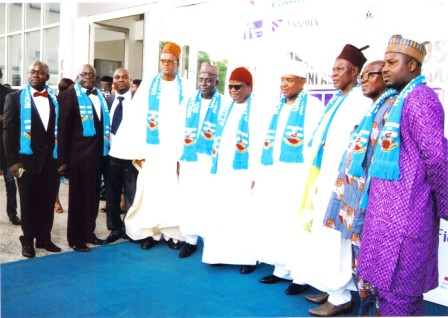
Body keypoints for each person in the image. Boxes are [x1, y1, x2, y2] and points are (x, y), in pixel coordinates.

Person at [357, 35, 448, 316]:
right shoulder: (399, 100)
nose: (384, 68)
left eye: (392, 63)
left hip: (407, 219)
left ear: (412, 65)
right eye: (384, 62)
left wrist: (445, 205)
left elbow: (437, 157)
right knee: (387, 296)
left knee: (401, 298)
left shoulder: (420, 99)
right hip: (388, 217)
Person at [287, 44, 371, 317]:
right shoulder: (339, 98)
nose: (333, 74)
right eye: (333, 69)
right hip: (322, 178)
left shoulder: (359, 101)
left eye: (339, 69)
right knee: (323, 234)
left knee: (336, 238)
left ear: (355, 71)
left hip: (342, 184)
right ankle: (329, 284)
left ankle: (340, 295)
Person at [322, 60, 398, 316]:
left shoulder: (392, 109)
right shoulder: (372, 108)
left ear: (385, 77)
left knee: (371, 265)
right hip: (354, 197)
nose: (363, 80)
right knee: (359, 263)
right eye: (362, 75)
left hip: (372, 201)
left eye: (370, 75)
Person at [255, 60, 322, 293]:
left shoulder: (313, 107)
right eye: (282, 80)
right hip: (276, 175)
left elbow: (314, 146)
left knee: (297, 223)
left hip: (298, 176)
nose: (284, 85)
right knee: (278, 220)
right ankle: (281, 269)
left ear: (303, 82)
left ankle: (300, 276)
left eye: (289, 80)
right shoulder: (277, 107)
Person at [124, 42, 188, 250]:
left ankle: (172, 234)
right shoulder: (149, 84)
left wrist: (183, 155)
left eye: (170, 61)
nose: (166, 65)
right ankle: (149, 233)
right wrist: (137, 151)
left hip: (174, 151)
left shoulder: (185, 87)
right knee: (149, 190)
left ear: (178, 63)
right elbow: (135, 118)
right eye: (163, 61)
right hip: (151, 149)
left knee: (172, 191)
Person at [200, 67, 265, 274]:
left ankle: (247, 257)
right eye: (229, 87)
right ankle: (220, 254)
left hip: (244, 173)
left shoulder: (258, 111)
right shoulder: (226, 109)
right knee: (221, 211)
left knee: (243, 215)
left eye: (237, 86)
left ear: (250, 87)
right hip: (223, 171)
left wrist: (256, 174)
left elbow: (261, 145)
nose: (233, 91)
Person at [3, 61, 63, 258]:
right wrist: (13, 162)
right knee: (28, 202)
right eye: (32, 72)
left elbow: (58, 132)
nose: (36, 75)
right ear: (28, 75)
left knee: (47, 202)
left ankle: (44, 239)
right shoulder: (15, 98)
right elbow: (8, 131)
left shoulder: (55, 99)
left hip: (51, 162)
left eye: (40, 72)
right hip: (24, 163)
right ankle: (27, 240)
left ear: (47, 76)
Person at [57, 64, 109, 252]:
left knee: (93, 199)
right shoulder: (68, 96)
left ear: (95, 77)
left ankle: (89, 233)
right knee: (78, 200)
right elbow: (62, 130)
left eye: (91, 74)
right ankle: (76, 239)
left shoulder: (101, 97)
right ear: (78, 76)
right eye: (84, 74)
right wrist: (62, 160)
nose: (87, 77)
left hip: (97, 157)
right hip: (78, 159)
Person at [177, 62, 223, 258]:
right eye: (201, 80)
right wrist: (178, 157)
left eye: (209, 80)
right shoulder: (188, 101)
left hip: (211, 161)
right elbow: (179, 129)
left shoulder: (225, 103)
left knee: (209, 199)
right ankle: (191, 240)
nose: (204, 84)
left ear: (216, 81)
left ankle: (210, 240)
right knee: (189, 199)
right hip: (190, 159)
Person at [103, 67, 139, 244]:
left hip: (132, 158)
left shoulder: (139, 103)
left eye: (125, 77)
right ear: (113, 82)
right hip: (111, 157)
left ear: (130, 80)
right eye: (117, 77)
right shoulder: (108, 101)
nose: (121, 80)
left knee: (132, 196)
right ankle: (115, 229)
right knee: (112, 195)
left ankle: (131, 230)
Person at [0, 67, 20, 225]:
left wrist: (5, 117)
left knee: (11, 180)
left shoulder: (9, 93)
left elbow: (15, 116)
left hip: (8, 147)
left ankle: (13, 213)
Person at [53, 77, 75, 214]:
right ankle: (56, 201)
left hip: (69, 145)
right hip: (55, 143)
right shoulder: (55, 101)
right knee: (55, 175)